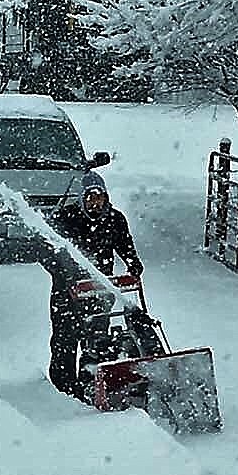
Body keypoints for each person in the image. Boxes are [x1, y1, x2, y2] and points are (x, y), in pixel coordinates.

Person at [38, 171, 144, 402]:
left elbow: (124, 245)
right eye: (90, 197)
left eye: (100, 197)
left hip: (100, 291)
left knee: (97, 338)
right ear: (81, 198)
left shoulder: (115, 220)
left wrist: (133, 262)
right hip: (66, 294)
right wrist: (64, 272)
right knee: (66, 339)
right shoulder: (65, 219)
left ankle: (92, 384)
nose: (95, 202)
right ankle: (63, 390)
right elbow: (45, 253)